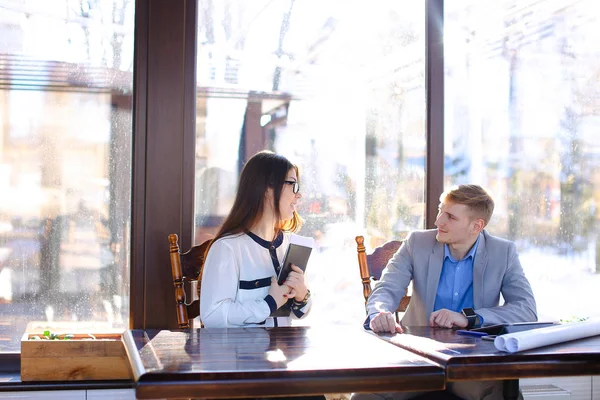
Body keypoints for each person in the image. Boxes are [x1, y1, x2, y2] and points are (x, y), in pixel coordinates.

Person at [354, 184, 537, 400]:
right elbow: (387, 288)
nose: (438, 221)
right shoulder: (416, 243)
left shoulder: (503, 252)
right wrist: (378, 312)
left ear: (476, 226)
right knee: (365, 396)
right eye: (441, 210)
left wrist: (469, 318)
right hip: (417, 357)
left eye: (450, 216)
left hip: (473, 360)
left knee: (502, 394)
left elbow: (526, 310)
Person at [200, 150, 312, 328]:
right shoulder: (227, 248)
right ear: (267, 189)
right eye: (293, 185)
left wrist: (302, 295)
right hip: (243, 353)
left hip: (284, 351)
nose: (299, 195)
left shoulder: (291, 244)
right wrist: (268, 304)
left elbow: (298, 314)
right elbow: (212, 316)